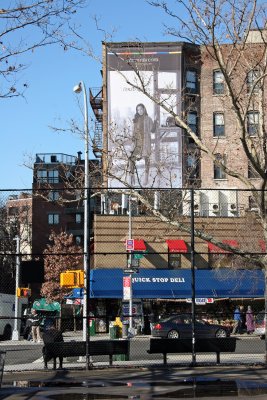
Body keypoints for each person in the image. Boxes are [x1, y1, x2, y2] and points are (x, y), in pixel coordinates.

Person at [130, 103, 157, 186]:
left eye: (141, 109)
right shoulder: (135, 120)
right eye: (138, 109)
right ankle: (132, 176)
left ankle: (146, 178)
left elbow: (152, 130)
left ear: (144, 109)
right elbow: (133, 133)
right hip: (138, 143)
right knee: (131, 159)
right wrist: (133, 142)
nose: (140, 111)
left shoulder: (148, 119)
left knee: (147, 160)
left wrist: (155, 121)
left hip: (146, 142)